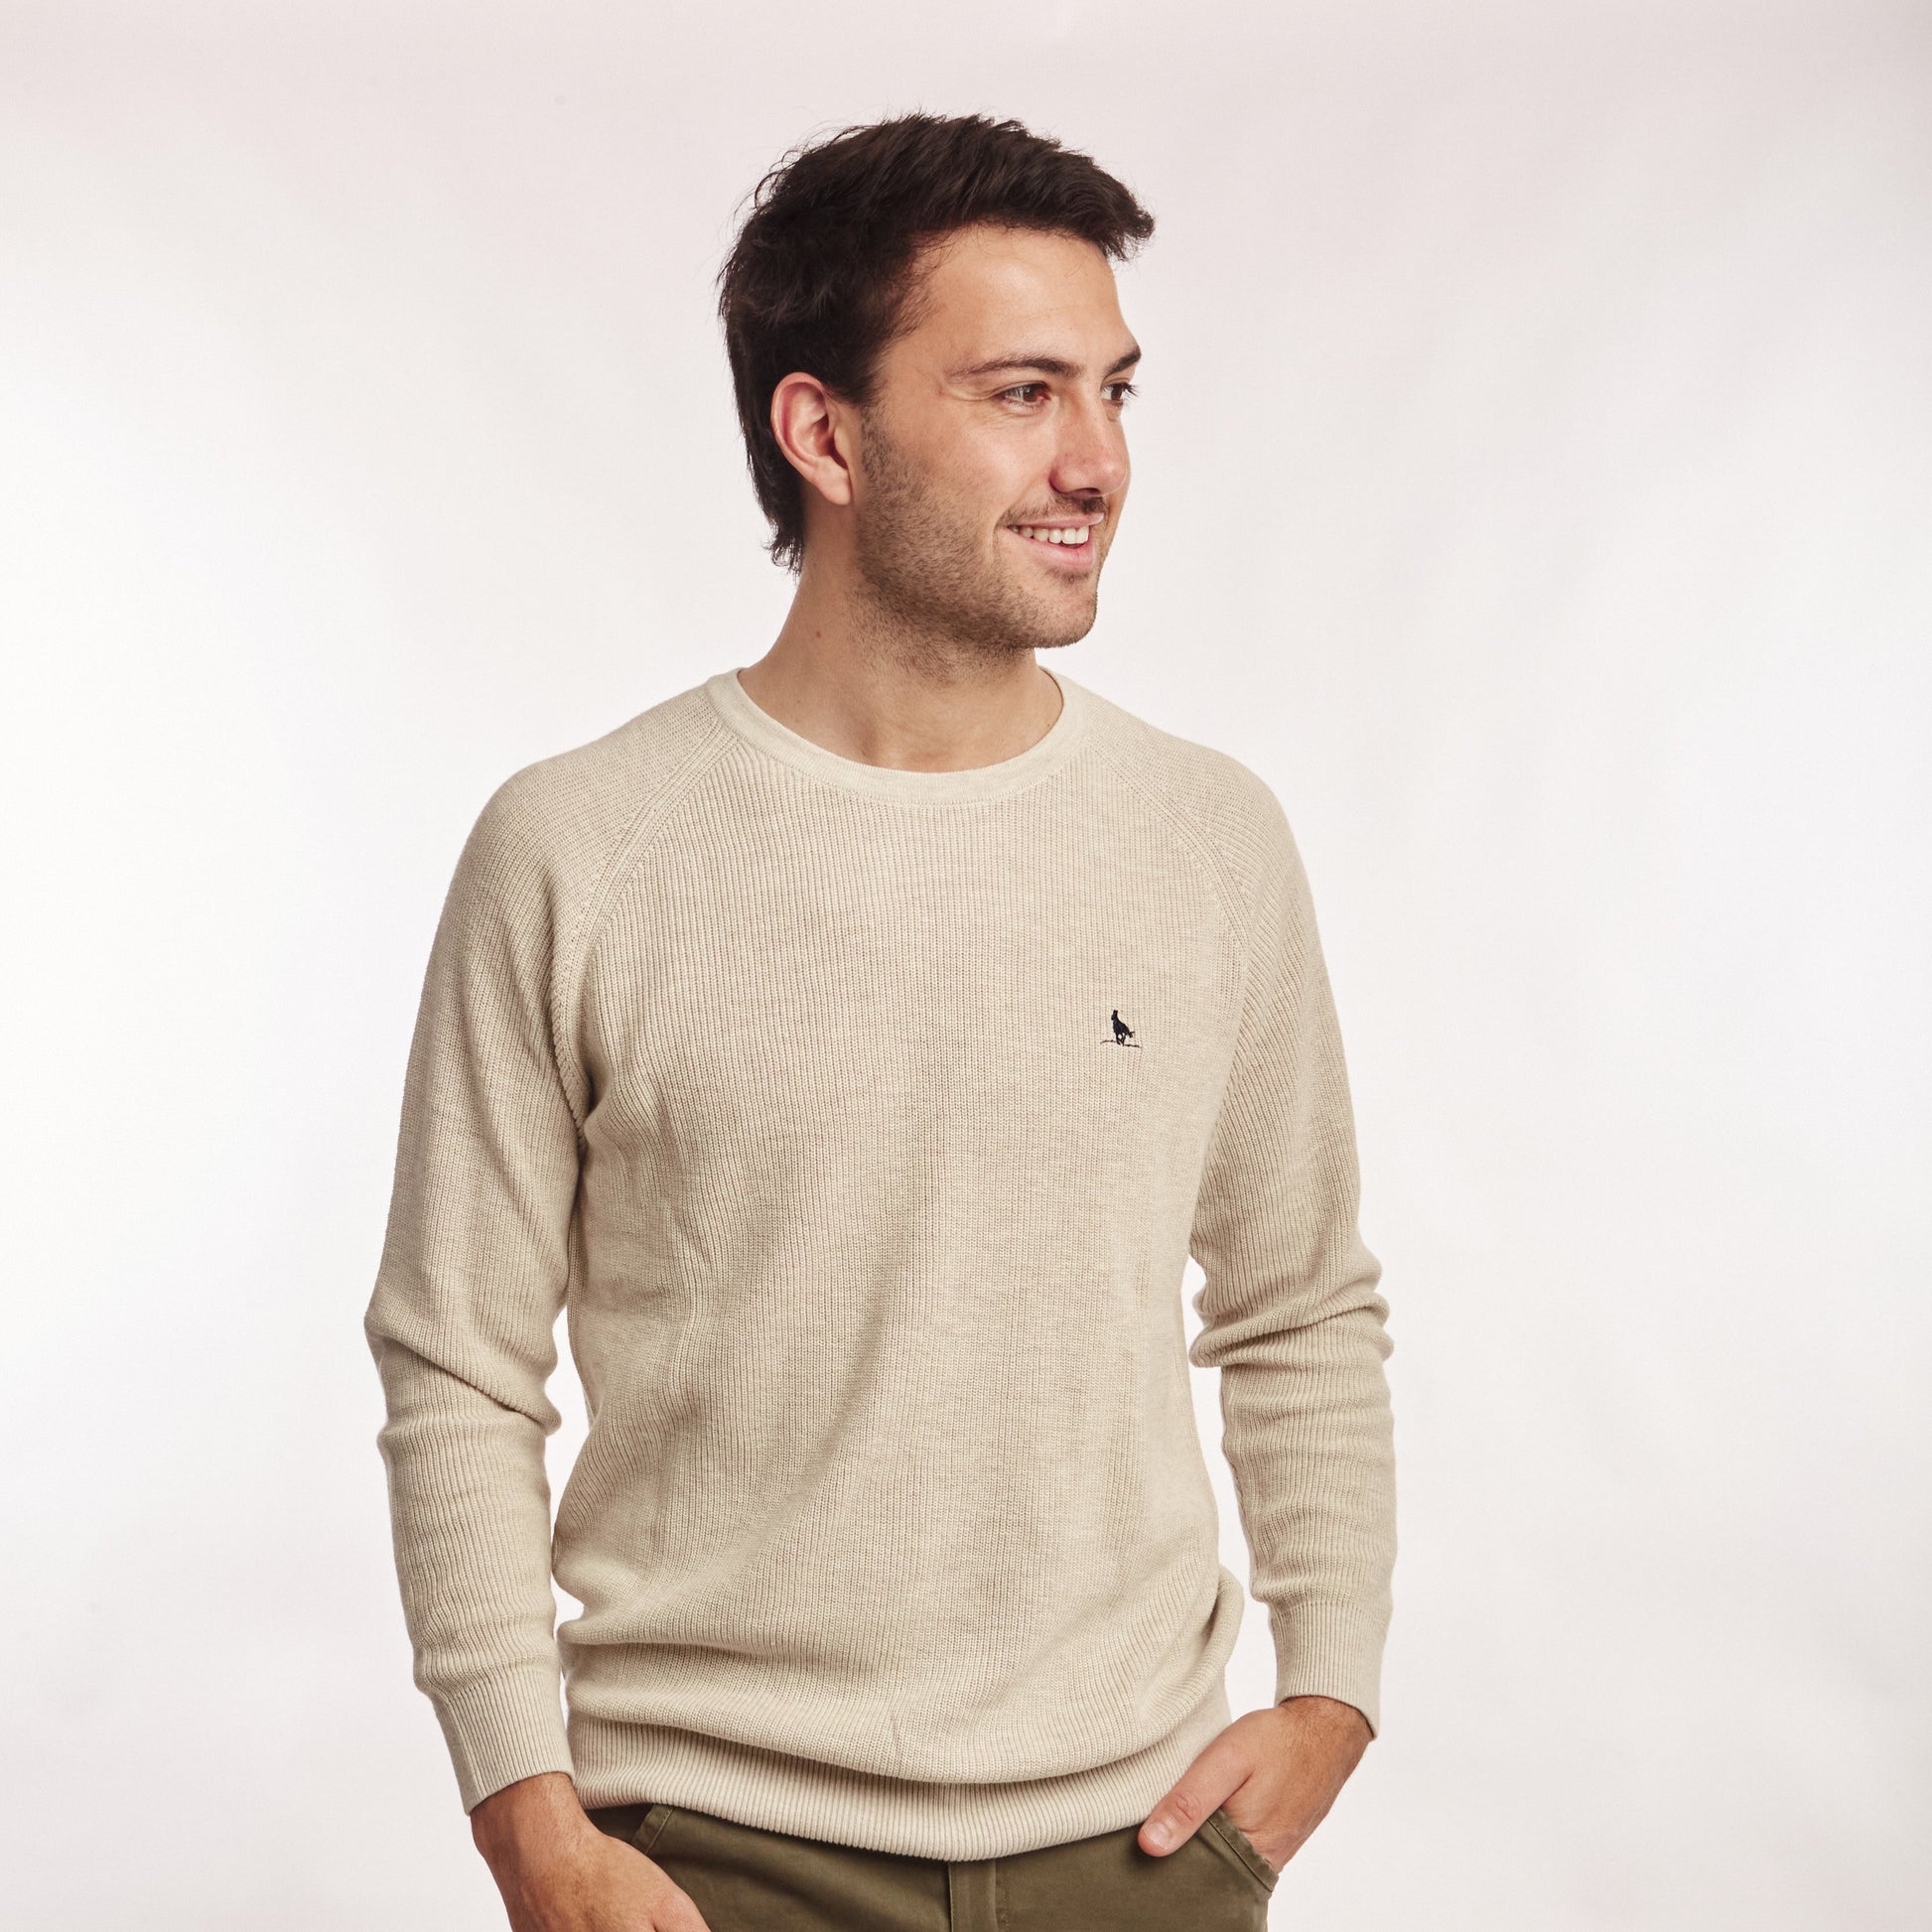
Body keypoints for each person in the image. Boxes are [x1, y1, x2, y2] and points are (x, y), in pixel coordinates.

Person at [364, 110, 1396, 1932]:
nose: (1093, 460)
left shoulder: (1208, 837)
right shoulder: (579, 848)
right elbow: (458, 1361)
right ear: (822, 433)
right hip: (709, 1855)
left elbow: (1297, 1298)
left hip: (1139, 1852)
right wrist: (527, 1815)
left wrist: (1331, 1693)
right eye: (1020, 392)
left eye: (1113, 391)